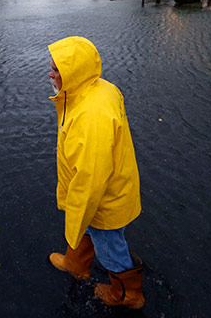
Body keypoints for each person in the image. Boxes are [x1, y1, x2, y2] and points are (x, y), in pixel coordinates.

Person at [47, 36, 144, 309]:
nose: (50, 73)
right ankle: (76, 263)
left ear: (74, 73)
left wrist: (75, 217)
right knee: (91, 231)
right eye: (52, 66)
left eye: (57, 69)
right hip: (114, 186)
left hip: (105, 200)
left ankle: (128, 295)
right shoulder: (98, 88)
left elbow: (90, 182)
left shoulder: (90, 116)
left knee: (109, 246)